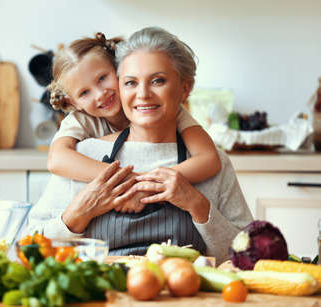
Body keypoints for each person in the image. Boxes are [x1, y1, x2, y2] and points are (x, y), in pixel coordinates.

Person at [24, 27, 253, 263]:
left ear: (185, 88)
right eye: (131, 82)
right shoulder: (83, 155)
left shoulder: (209, 162)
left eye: (158, 81)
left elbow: (248, 258)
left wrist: (198, 205)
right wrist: (76, 215)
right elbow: (28, 249)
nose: (143, 94)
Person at [46, 32, 221, 203]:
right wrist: (129, 180)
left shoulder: (162, 109)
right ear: (74, 103)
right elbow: (57, 160)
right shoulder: (81, 120)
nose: (100, 94)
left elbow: (209, 159)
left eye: (102, 78)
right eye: (84, 93)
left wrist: (149, 184)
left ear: (119, 71)